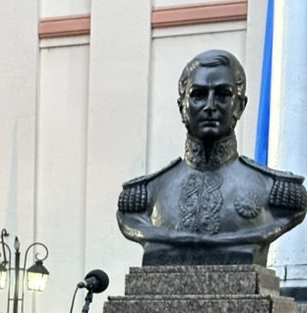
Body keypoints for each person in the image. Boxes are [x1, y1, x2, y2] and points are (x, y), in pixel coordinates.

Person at [117, 49, 307, 265]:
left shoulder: (274, 190)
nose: (209, 106)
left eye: (222, 94)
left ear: (240, 106)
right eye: (198, 95)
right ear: (182, 108)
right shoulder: (148, 193)